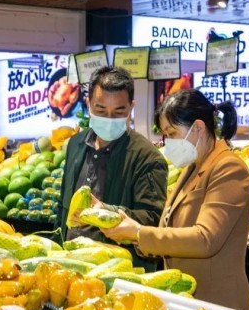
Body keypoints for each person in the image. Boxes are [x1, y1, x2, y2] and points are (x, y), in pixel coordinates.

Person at [100, 89, 249, 310]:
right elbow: (171, 228)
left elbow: (206, 238)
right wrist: (127, 230)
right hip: (190, 308)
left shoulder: (229, 169)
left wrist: (139, 233)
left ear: (197, 128)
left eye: (171, 133)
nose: (166, 142)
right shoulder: (193, 167)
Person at [58, 66, 168, 271]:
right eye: (101, 111)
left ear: (131, 107)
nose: (109, 119)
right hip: (71, 265)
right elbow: (62, 207)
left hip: (118, 273)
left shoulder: (147, 158)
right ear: (89, 104)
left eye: (119, 112)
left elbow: (153, 219)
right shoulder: (75, 144)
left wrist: (107, 212)